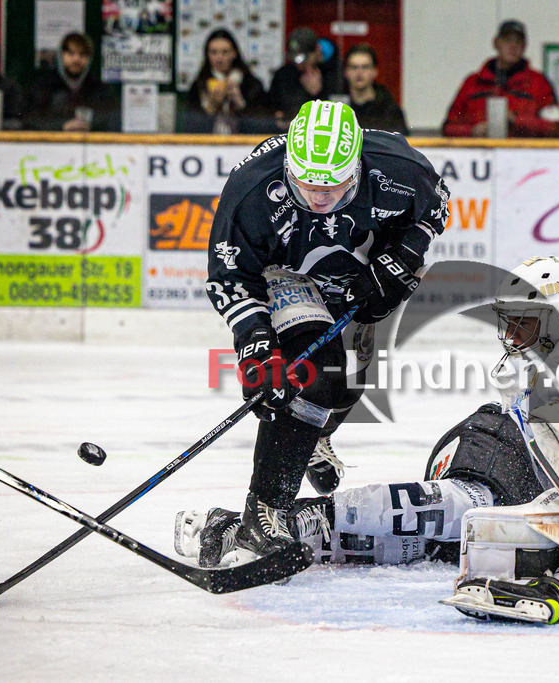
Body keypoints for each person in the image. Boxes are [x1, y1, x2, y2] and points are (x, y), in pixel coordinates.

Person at [176, 249, 559, 625]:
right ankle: (291, 523)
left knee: (457, 512)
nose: (517, 337)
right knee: (458, 510)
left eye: (527, 323)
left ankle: (290, 524)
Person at [183, 100, 449, 566]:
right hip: (287, 273)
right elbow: (229, 278)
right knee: (317, 371)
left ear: (358, 164)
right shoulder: (252, 189)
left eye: (331, 184)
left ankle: (310, 434)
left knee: (353, 379)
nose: (318, 196)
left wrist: (397, 262)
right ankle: (265, 511)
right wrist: (257, 347)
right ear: (288, 162)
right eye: (306, 182)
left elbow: (435, 209)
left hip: (361, 267)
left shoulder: (397, 166)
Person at [441, 20, 559, 138]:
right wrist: (473, 131)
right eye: (507, 40)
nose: (513, 46)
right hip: (481, 155)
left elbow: (555, 129)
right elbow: (449, 127)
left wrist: (517, 120)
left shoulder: (539, 83)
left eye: (518, 41)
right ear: (495, 43)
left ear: (525, 46)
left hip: (523, 155)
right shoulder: (472, 83)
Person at [25, 32, 119, 132]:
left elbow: (111, 119)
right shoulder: (43, 86)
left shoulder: (100, 89)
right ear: (61, 55)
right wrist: (63, 126)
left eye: (82, 54)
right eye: (71, 53)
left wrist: (90, 126)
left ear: (89, 58)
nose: (76, 59)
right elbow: (30, 120)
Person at [182, 29, 268, 134]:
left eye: (225, 52)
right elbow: (189, 128)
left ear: (234, 53)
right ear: (207, 55)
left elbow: (263, 126)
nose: (219, 58)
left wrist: (240, 103)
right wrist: (211, 107)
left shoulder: (251, 84)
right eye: (214, 52)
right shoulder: (198, 86)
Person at [266, 27, 340, 123]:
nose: (299, 64)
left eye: (305, 58)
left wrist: (317, 94)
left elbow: (336, 112)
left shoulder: (332, 73)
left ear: (317, 50)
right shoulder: (284, 74)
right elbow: (272, 107)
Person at [343, 44, 408, 135]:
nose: (359, 73)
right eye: (354, 67)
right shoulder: (338, 108)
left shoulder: (390, 110)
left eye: (365, 67)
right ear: (346, 72)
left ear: (374, 71)